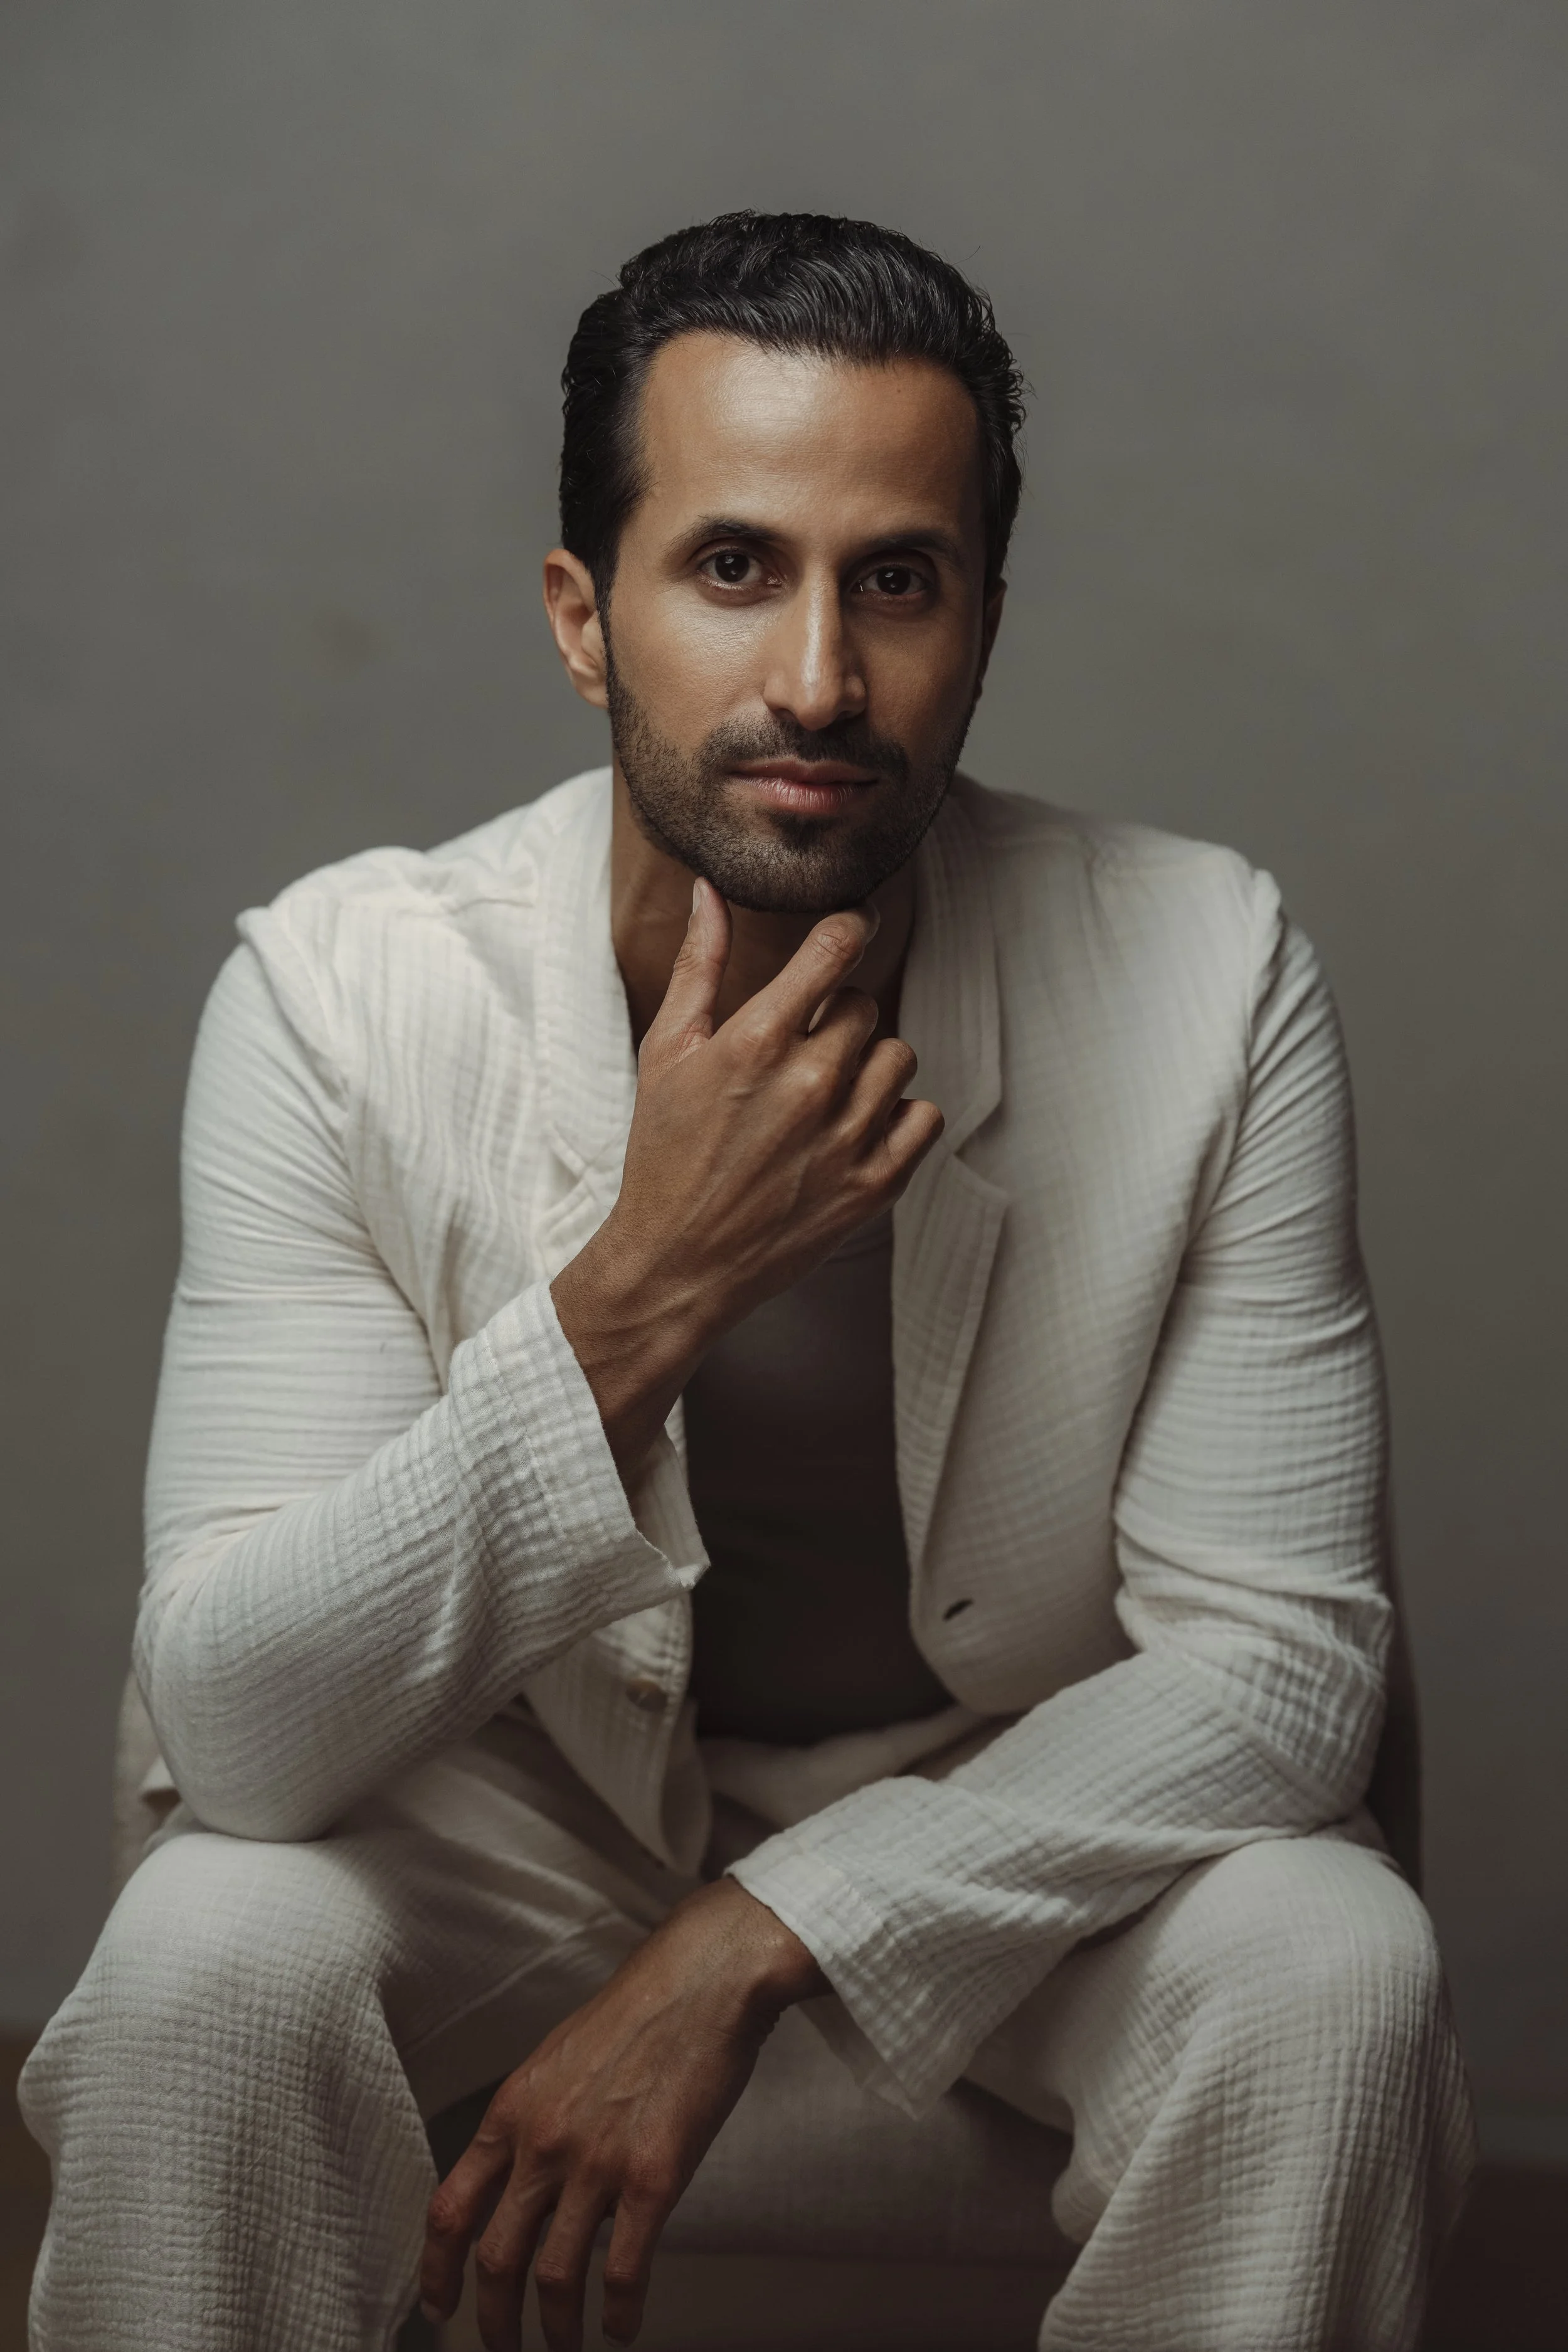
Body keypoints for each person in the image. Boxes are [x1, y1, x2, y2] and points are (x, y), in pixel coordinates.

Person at [21, 211, 1473, 2352]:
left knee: (1332, 1957)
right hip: (500, 1854)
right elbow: (235, 1734)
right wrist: (640, 1287)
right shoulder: (340, 993)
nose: (816, 676)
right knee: (204, 1946)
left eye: (895, 577)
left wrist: (759, 1927)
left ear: (980, 616)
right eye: (730, 568)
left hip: (995, 1861)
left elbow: (1281, 1677)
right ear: (581, 618)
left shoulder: (1203, 966)